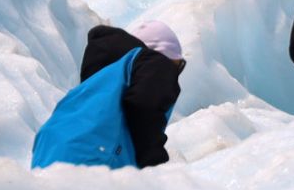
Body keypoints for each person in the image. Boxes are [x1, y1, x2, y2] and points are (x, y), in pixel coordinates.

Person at [33, 19, 186, 169]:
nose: (174, 74)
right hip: (91, 153)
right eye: (177, 65)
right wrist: (153, 159)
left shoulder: (103, 78)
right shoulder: (155, 63)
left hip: (47, 149)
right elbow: (144, 106)